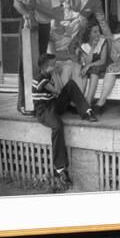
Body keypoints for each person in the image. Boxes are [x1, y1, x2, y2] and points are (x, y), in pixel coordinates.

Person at [32, 54, 98, 187]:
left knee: (71, 85)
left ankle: (87, 111)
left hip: (53, 104)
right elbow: (56, 90)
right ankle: (60, 169)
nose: (56, 66)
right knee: (57, 126)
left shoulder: (49, 74)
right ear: (47, 67)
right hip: (43, 110)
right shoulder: (40, 78)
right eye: (54, 64)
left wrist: (56, 78)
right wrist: (56, 77)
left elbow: (58, 92)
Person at [13, 0, 63, 116]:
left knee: (38, 64)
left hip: (43, 27)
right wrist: (28, 14)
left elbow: (57, 14)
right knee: (24, 63)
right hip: (28, 25)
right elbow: (17, 3)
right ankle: (22, 103)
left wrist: (38, 6)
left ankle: (36, 100)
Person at [78, 17, 109, 104]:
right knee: (83, 72)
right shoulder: (84, 46)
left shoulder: (103, 41)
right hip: (91, 66)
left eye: (98, 31)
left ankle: (88, 100)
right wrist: (92, 48)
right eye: (95, 32)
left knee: (93, 70)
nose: (98, 34)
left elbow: (102, 60)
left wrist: (88, 66)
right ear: (89, 34)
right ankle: (80, 99)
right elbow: (87, 62)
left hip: (101, 66)